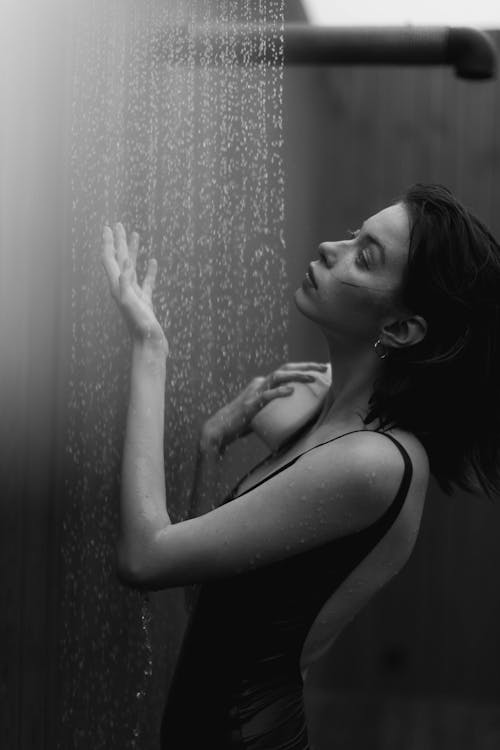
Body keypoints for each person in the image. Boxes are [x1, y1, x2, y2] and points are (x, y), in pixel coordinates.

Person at [101, 183, 500, 749]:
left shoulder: (373, 464)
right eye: (352, 235)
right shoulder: (309, 407)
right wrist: (211, 442)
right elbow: (204, 597)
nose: (329, 249)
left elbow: (143, 557)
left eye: (363, 256)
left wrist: (149, 346)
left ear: (401, 329)